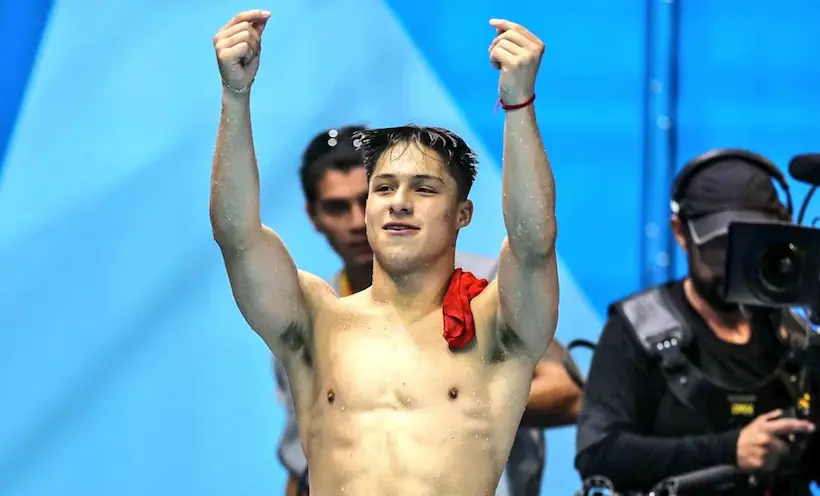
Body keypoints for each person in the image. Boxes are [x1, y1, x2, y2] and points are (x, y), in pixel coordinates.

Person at [210, 9, 559, 495]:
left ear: (463, 214)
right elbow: (236, 235)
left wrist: (519, 103)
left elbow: (533, 240)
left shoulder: (497, 325)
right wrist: (235, 95)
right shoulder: (315, 319)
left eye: (424, 189)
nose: (399, 201)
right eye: (385, 187)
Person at [274, 126, 582, 496]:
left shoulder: (486, 284)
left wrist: (442, 400)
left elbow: (569, 393)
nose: (355, 222)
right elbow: (305, 458)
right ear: (313, 216)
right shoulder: (314, 314)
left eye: (364, 198)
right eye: (338, 207)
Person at [574, 150, 820, 495]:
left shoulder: (794, 336)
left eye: (751, 245)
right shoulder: (638, 327)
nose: (734, 261)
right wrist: (730, 449)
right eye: (719, 246)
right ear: (680, 232)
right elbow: (598, 452)